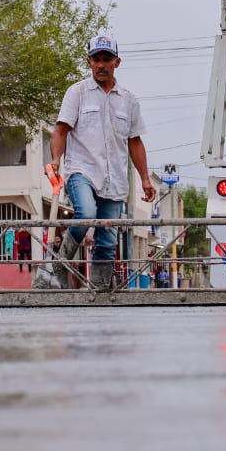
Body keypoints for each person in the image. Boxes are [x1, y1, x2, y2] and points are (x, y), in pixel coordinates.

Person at [45, 34, 154, 291]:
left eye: (106, 59)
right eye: (96, 59)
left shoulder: (128, 100)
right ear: (89, 62)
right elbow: (60, 130)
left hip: (114, 178)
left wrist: (145, 179)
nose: (101, 64)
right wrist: (56, 160)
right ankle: (58, 266)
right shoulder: (77, 93)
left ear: (117, 62)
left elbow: (135, 142)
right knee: (87, 213)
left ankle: (101, 288)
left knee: (107, 236)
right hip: (82, 170)